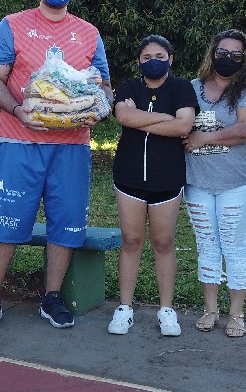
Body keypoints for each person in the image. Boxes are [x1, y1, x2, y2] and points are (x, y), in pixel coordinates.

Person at [0, 0, 113, 330]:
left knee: (65, 222)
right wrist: (18, 111)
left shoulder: (89, 33)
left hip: (72, 145)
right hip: (20, 141)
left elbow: (104, 86)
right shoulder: (13, 24)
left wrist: (97, 108)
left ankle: (51, 297)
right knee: (6, 221)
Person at [108, 35, 198, 336]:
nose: (153, 62)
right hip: (129, 176)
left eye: (160, 56)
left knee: (163, 242)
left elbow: (184, 125)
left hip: (167, 178)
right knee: (131, 240)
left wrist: (141, 118)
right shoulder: (129, 87)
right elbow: (123, 116)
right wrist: (164, 118)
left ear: (170, 59)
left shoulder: (182, 87)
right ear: (138, 61)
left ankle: (166, 309)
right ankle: (124, 307)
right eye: (146, 57)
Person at [183, 29, 246, 338]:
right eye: (222, 52)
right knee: (206, 244)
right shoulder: (192, 88)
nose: (227, 58)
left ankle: (237, 314)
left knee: (234, 244)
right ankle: (210, 309)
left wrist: (205, 137)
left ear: (245, 58)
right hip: (197, 182)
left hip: (236, 184)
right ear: (212, 53)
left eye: (235, 54)